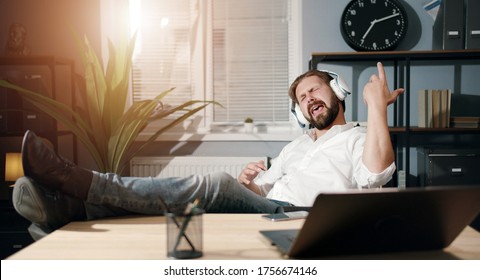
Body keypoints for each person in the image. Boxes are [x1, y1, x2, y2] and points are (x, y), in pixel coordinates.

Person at [13, 62, 403, 240]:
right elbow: (260, 193)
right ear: (299, 112)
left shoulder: (361, 135)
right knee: (215, 189)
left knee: (215, 183)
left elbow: (374, 177)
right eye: (302, 98)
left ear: (337, 90)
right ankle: (70, 209)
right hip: (273, 209)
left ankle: (72, 181)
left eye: (315, 90)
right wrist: (251, 185)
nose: (309, 100)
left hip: (305, 220)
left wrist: (374, 106)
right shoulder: (295, 147)